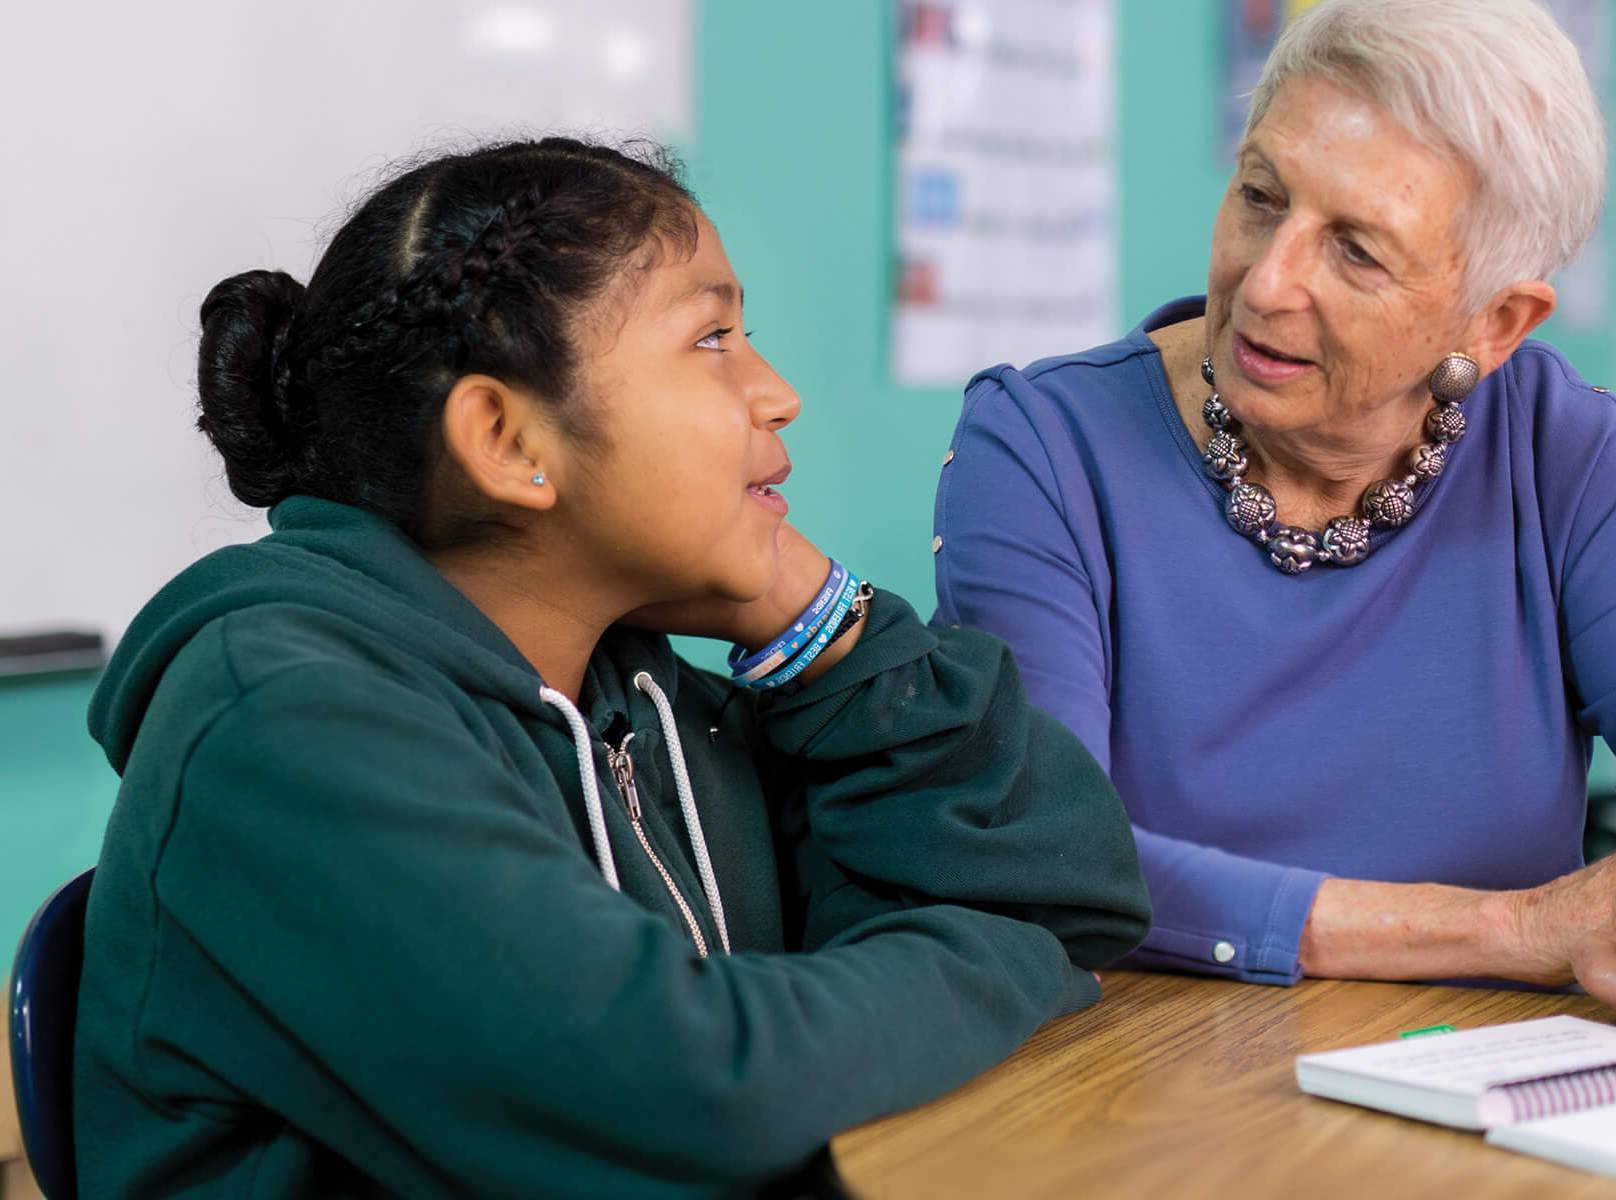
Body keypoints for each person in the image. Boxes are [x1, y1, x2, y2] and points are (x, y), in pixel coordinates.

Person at [75, 137, 1150, 1198]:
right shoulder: (283, 723)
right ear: (507, 440)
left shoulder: (626, 689)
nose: (777, 393)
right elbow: (695, 1094)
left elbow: (1072, 888)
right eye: (713, 338)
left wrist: (819, 627)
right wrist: (1014, 959)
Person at [931, 0, 1616, 1042]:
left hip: (1488, 1103)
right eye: (1260, 195)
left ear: (1497, 321)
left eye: (1357, 251)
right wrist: (1524, 929)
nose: (1267, 278)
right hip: (1132, 1085)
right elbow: (1053, 855)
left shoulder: (1567, 458)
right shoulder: (1043, 449)